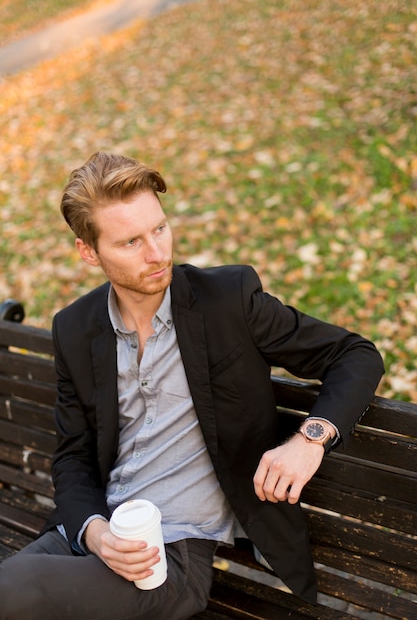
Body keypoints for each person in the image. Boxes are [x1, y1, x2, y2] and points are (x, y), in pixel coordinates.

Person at [0, 152, 384, 620]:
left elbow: (355, 354)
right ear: (88, 252)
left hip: (171, 559)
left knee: (14, 590)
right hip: (91, 535)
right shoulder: (76, 329)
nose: (157, 253)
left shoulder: (228, 301)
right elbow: (74, 456)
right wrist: (96, 533)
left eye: (159, 229)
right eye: (131, 242)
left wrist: (310, 439)